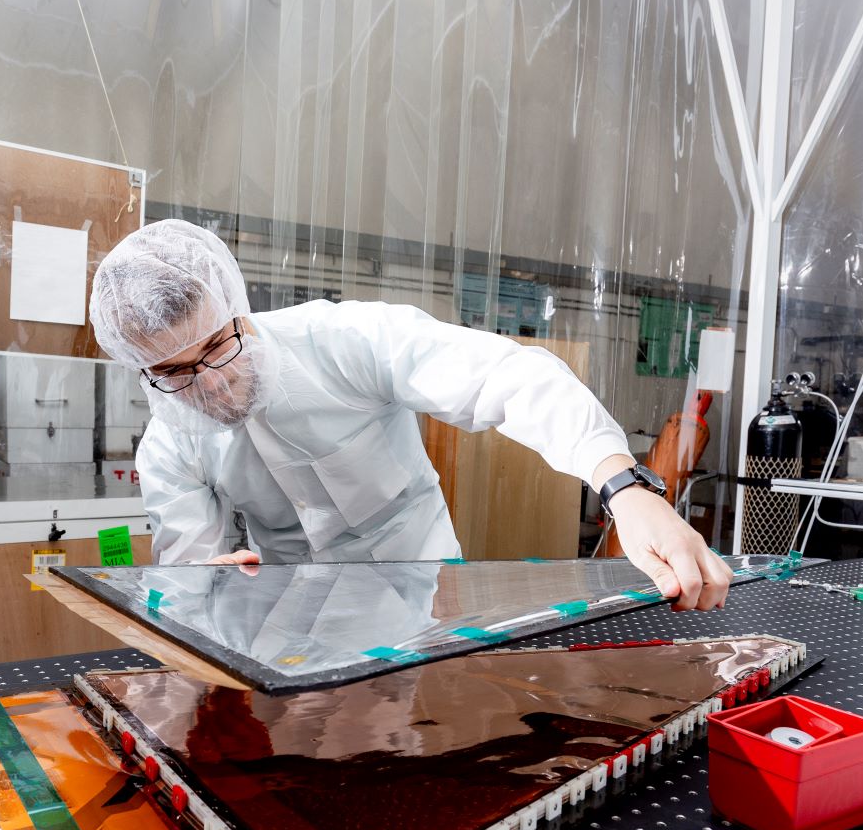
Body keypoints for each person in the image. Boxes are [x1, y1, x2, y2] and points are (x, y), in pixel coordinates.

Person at [87, 220, 733, 611]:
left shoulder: (342, 341)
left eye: (218, 348)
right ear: (142, 370)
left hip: (424, 591)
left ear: (238, 307)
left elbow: (510, 375)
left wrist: (625, 487)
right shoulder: (171, 443)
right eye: (175, 372)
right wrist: (204, 588)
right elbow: (190, 567)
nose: (211, 382)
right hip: (287, 621)